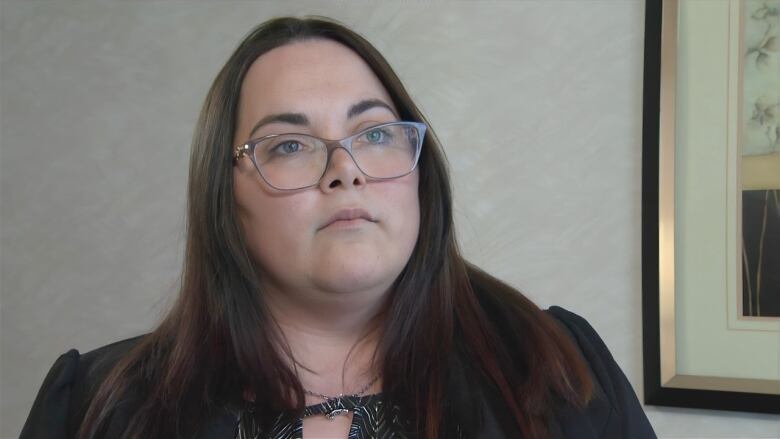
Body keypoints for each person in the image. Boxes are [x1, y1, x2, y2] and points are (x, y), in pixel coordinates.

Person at [20, 16, 656, 439]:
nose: (343, 171)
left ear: (418, 171)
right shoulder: (96, 406)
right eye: (290, 145)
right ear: (224, 195)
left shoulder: (561, 370)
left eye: (374, 132)